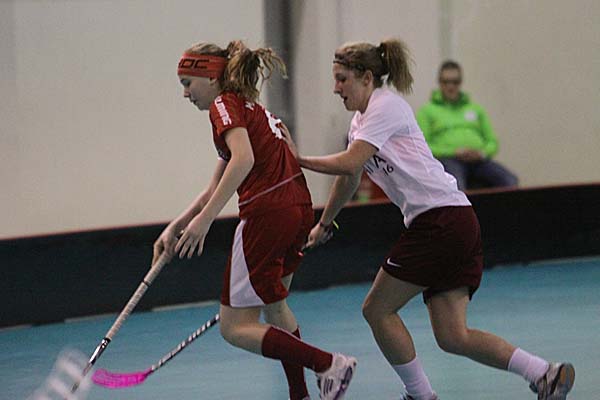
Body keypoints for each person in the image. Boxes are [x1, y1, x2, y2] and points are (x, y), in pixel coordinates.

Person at [282, 38, 574, 400]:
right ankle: (545, 373)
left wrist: (298, 160)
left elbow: (351, 162)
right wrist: (325, 223)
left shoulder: (385, 107)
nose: (335, 88)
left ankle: (420, 395)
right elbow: (350, 176)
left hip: (440, 221)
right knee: (453, 336)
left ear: (367, 77)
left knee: (377, 310)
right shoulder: (360, 123)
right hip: (455, 221)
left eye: (342, 79)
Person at [152, 40, 356, 400]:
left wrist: (206, 221)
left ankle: (327, 364)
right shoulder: (250, 108)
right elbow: (216, 185)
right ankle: (300, 395)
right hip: (297, 209)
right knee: (275, 307)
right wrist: (177, 226)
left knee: (234, 327)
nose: (185, 93)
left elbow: (243, 160)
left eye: (187, 83)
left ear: (211, 77)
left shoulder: (223, 105)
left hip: (267, 214)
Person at [416, 60, 518, 191]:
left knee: (510, 181)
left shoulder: (476, 109)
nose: (450, 86)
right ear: (439, 83)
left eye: (455, 82)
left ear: (460, 83)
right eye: (446, 82)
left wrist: (481, 153)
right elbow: (423, 147)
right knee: (457, 186)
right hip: (448, 160)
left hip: (478, 160)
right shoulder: (427, 111)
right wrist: (453, 152)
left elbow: (492, 141)